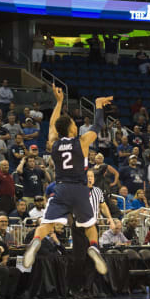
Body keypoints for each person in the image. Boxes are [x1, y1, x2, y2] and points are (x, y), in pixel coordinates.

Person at [23, 86, 111, 278]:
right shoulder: (82, 141)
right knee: (89, 227)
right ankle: (94, 248)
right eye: (73, 123)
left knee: (47, 224)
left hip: (61, 188)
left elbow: (53, 125)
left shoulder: (53, 143)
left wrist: (59, 102)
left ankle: (36, 240)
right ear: (72, 128)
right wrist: (98, 105)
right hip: (80, 190)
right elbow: (98, 124)